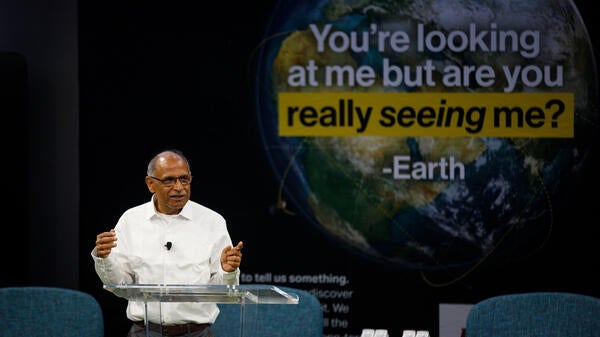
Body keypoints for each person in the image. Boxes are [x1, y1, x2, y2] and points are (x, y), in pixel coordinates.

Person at [92, 149, 243, 337]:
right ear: (150, 184)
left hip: (196, 333)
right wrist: (104, 258)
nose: (179, 187)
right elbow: (120, 287)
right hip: (145, 331)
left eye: (184, 179)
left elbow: (223, 293)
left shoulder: (212, 222)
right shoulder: (131, 220)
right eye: (169, 180)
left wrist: (227, 272)